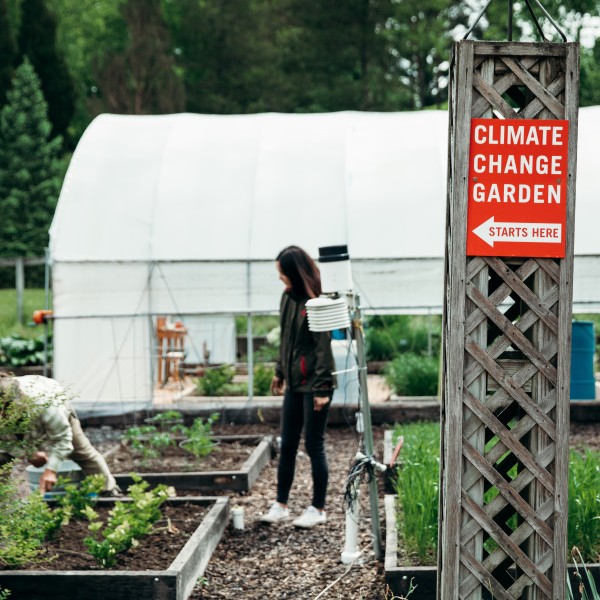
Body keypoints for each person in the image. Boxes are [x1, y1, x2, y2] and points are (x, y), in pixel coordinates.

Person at [260, 245, 336, 529]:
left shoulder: (315, 301)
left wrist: (322, 388)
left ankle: (318, 508)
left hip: (316, 384)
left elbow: (322, 348)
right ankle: (281, 504)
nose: (280, 278)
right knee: (288, 443)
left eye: (282, 273)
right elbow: (286, 340)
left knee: (314, 444)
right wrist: (280, 372)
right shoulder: (287, 298)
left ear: (294, 272)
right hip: (294, 383)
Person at [0, 373, 120, 495]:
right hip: (21, 422)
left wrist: (51, 470)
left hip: (56, 412)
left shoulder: (45, 404)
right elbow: (3, 443)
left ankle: (108, 491)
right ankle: (2, 505)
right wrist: (27, 453)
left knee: (82, 452)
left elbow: (62, 439)